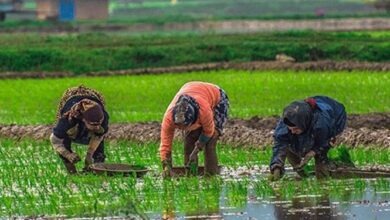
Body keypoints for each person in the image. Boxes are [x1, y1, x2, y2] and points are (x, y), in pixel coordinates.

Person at [160, 81, 229, 177]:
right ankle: (191, 176)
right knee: (189, 139)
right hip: (191, 90)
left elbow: (208, 132)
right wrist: (167, 168)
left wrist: (196, 151)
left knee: (210, 142)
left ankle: (211, 178)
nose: (182, 129)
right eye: (179, 127)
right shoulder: (168, 118)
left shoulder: (204, 112)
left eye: (185, 126)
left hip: (217, 97)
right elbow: (165, 146)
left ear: (195, 119)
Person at [269, 96, 346, 180]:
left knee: (320, 160)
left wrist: (313, 152)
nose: (292, 131)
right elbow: (279, 146)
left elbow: (325, 141)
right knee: (288, 147)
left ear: (303, 124)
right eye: (290, 128)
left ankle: (327, 171)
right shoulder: (285, 125)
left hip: (335, 115)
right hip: (306, 119)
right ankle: (303, 175)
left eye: (296, 128)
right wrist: (276, 166)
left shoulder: (322, 124)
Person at [50, 85, 109, 174]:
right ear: (83, 119)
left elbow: (99, 137)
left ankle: (97, 171)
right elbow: (55, 140)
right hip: (71, 100)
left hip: (93, 97)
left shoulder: (103, 117)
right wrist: (68, 155)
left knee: (99, 152)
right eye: (93, 124)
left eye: (98, 123)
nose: (97, 127)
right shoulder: (67, 120)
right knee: (65, 141)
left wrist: (89, 155)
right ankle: (73, 173)